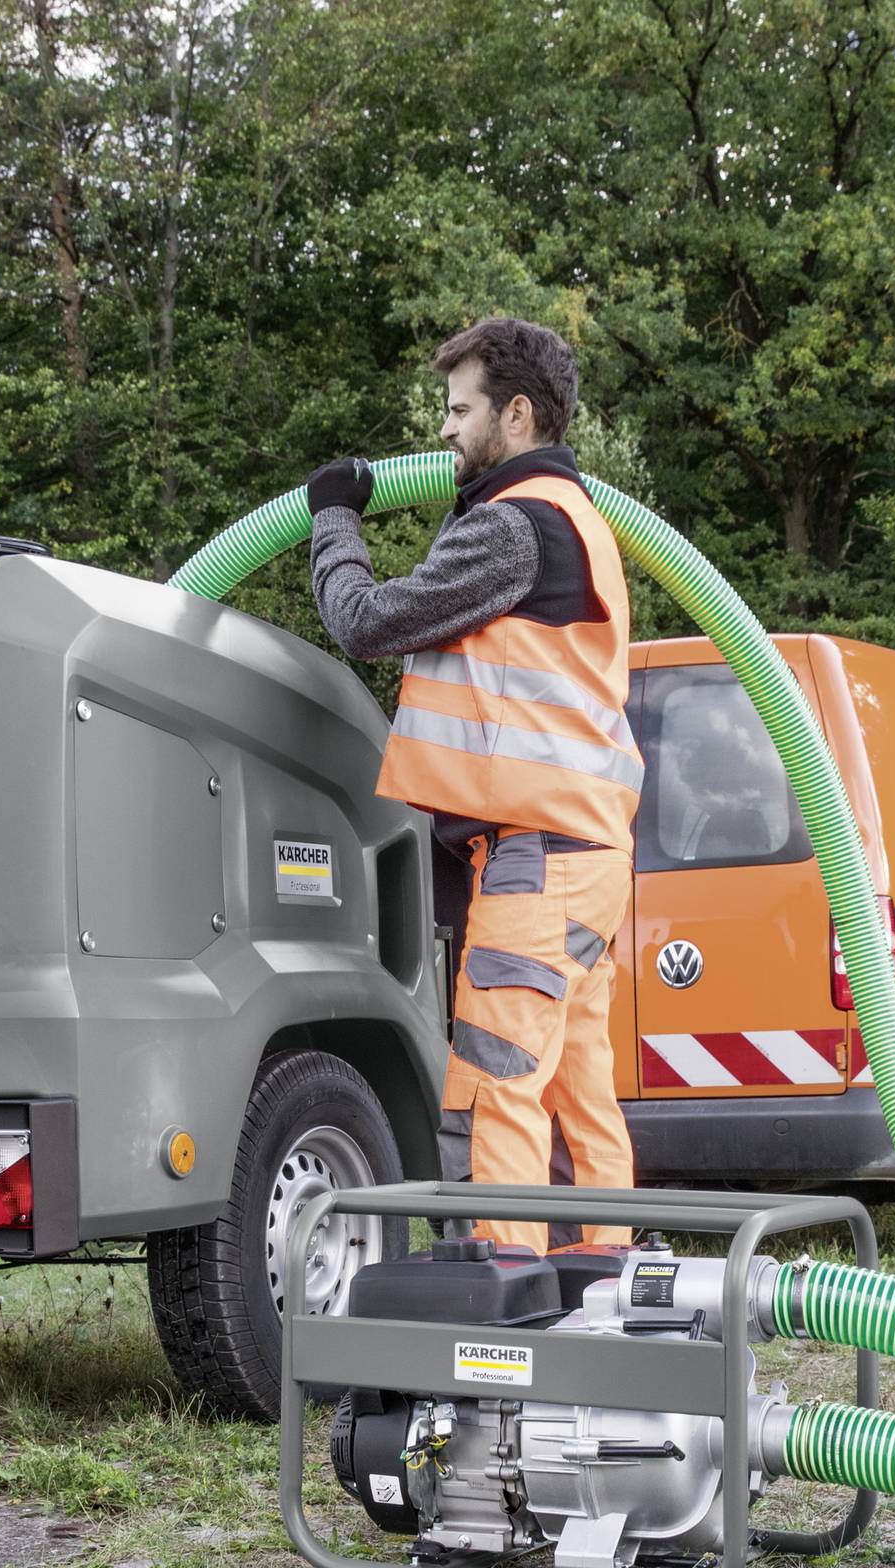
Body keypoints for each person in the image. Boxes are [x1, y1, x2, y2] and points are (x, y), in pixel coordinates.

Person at [304, 316, 639, 1257]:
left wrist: (335, 513)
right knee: (575, 1097)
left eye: (460, 411)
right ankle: (597, 1290)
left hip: (536, 862)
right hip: (583, 856)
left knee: (497, 1088)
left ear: (517, 414)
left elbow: (366, 619)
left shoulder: (514, 530)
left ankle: (505, 1309)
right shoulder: (579, 523)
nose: (444, 431)